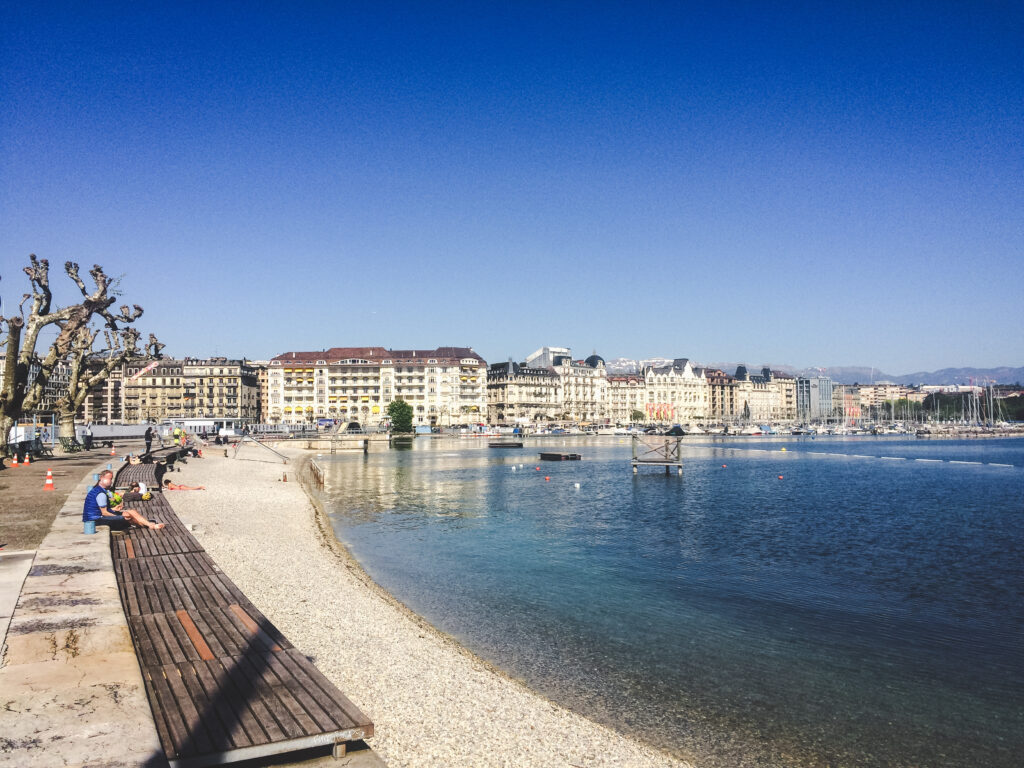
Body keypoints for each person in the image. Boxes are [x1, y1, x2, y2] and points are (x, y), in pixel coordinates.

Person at [83, 470, 164, 530]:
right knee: (127, 515)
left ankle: (149, 524)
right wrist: (118, 516)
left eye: (111, 479)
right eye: (109, 479)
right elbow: (104, 513)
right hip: (95, 520)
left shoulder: (99, 490)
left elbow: (102, 510)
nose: (111, 481)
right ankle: (150, 525)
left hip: (98, 516)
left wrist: (114, 509)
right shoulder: (101, 494)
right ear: (101, 478)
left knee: (132, 511)